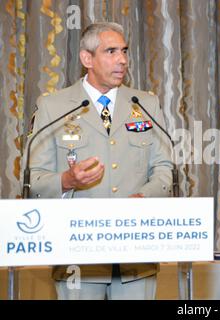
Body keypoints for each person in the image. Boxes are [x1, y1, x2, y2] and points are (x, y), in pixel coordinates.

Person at [26, 22, 173, 300]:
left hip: (135, 257)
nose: (122, 60)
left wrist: (145, 195)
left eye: (125, 51)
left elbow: (165, 170)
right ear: (87, 59)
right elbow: (33, 180)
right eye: (111, 51)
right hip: (77, 257)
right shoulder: (53, 106)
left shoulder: (144, 104)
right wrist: (67, 180)